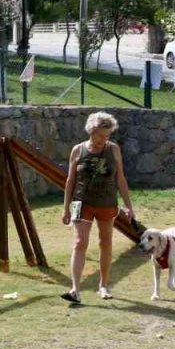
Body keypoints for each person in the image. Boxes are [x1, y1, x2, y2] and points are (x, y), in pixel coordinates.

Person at [60, 111, 134, 304]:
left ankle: (103, 285)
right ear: (92, 131)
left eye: (108, 136)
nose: (105, 139)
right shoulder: (77, 150)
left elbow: (121, 179)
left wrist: (128, 206)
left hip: (107, 203)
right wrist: (65, 208)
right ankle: (75, 289)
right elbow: (70, 181)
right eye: (102, 135)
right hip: (80, 203)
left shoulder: (114, 149)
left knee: (105, 243)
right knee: (79, 243)